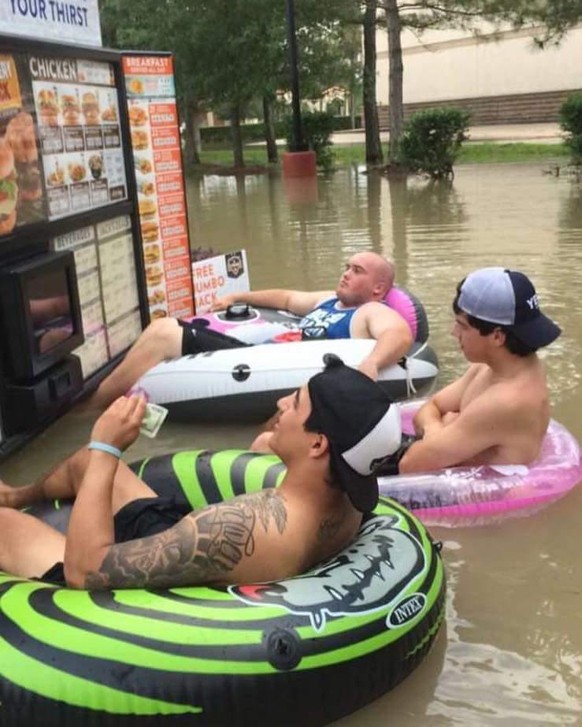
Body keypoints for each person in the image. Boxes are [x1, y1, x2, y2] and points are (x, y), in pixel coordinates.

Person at [0, 357, 402, 590]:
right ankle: (17, 493)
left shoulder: (241, 526)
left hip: (129, 598)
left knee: (10, 522)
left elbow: (83, 571)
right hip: (182, 545)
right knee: (86, 463)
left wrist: (107, 445)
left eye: (295, 403)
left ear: (318, 445)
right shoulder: (351, 499)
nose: (281, 403)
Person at [87, 252, 412, 409]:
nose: (345, 274)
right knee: (163, 331)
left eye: (357, 271)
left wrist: (371, 363)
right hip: (257, 355)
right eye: (346, 267)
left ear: (378, 287)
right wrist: (238, 296)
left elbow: (398, 335)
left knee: (164, 333)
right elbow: (285, 298)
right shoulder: (327, 301)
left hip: (271, 367)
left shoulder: (370, 311)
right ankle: (109, 395)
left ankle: (92, 409)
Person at [396, 267, 562, 473]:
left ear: (497, 336)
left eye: (462, 325)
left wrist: (444, 427)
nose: (453, 332)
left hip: (487, 500)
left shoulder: (508, 400)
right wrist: (439, 429)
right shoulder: (491, 367)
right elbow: (432, 407)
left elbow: (411, 465)